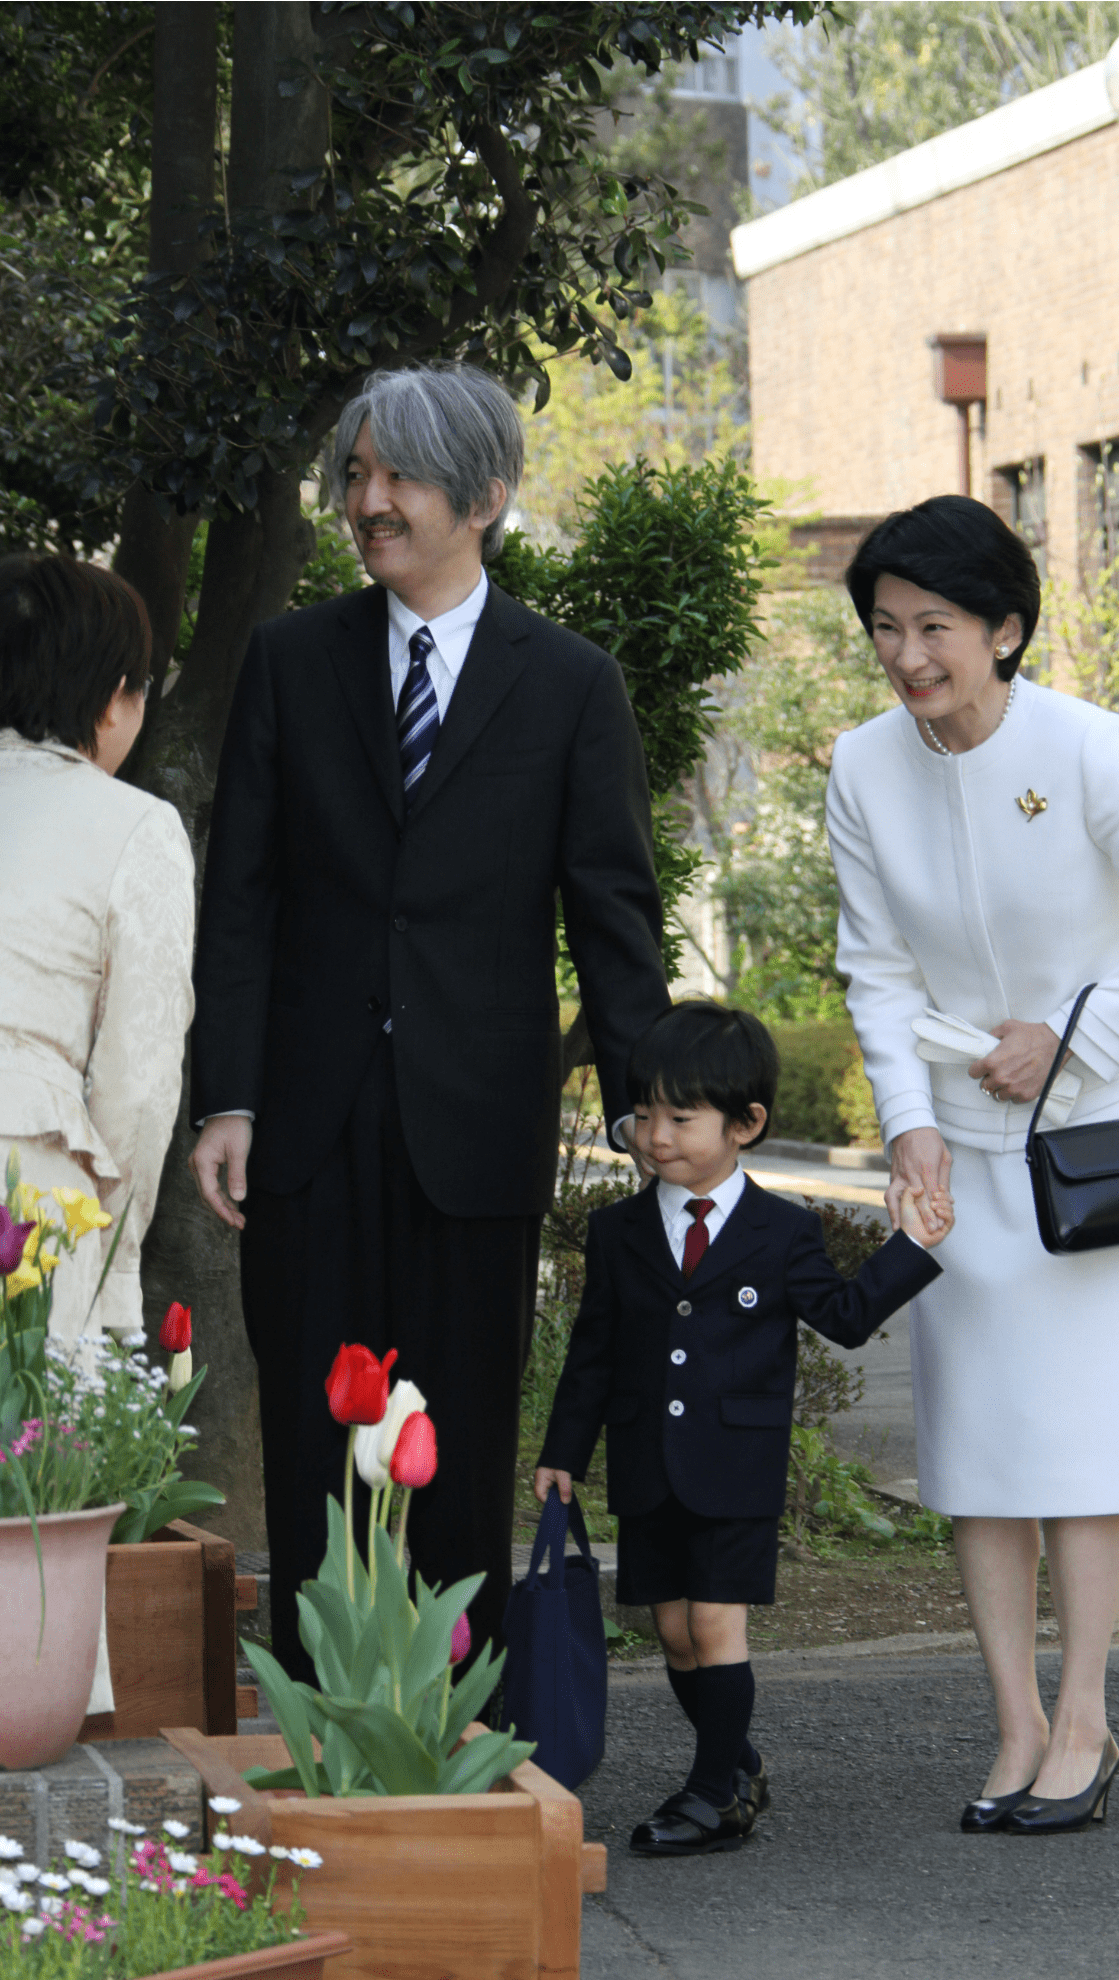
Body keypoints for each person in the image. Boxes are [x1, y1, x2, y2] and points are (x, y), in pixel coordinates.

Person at [188, 362, 669, 1678]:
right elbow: (243, 899)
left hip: (477, 1131)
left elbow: (614, 914)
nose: (368, 501)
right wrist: (226, 1096)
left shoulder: (569, 683)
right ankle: (322, 1744)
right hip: (304, 1125)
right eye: (356, 475)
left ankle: (457, 1735)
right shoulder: (291, 661)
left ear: (486, 496)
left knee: (452, 1451)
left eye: (396, 476)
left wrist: (651, 1106)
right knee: (313, 1444)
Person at [828, 493, 1119, 1835]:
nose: (908, 655)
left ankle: (1087, 1719)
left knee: (1083, 1453)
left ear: (1005, 628)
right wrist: (907, 1123)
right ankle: (1012, 1726)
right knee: (985, 1448)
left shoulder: (1088, 746)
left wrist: (1067, 1035)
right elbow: (876, 964)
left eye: (934, 626)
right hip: (967, 1150)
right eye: (886, 628)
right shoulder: (863, 767)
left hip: (1103, 1139)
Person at [535, 1001, 951, 1856]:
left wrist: (911, 1246)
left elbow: (841, 1317)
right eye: (644, 1113)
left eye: (680, 1118)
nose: (656, 1135)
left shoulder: (783, 1231)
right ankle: (736, 1760)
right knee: (675, 1631)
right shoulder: (618, 1232)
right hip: (649, 1461)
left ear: (746, 1124)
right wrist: (561, 1453)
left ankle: (712, 1793)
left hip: (736, 1468)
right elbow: (594, 1353)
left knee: (717, 1627)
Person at [0, 554, 195, 1346]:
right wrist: (115, 1270)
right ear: (111, 698)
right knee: (15, 1457)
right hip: (18, 1203)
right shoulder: (137, 827)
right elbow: (139, 1084)